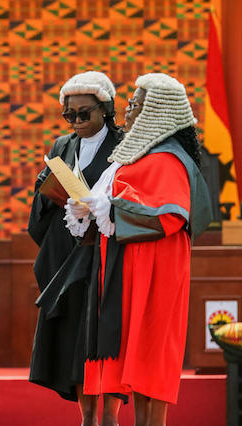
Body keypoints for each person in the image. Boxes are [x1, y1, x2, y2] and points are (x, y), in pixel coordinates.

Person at [65, 73, 211, 426]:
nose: (127, 112)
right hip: (129, 271)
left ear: (155, 112)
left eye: (134, 105)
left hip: (154, 275)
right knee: (136, 360)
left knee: (150, 359)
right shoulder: (141, 156)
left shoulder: (168, 159)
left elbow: (171, 216)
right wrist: (91, 210)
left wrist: (110, 208)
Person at [28, 71, 124, 426]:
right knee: (74, 336)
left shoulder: (125, 145)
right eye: (70, 115)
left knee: (104, 333)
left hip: (108, 255)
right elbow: (40, 209)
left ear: (106, 109)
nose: (78, 121)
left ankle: (111, 416)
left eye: (85, 113)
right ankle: (86, 416)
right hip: (68, 256)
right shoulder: (61, 146)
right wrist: (48, 187)